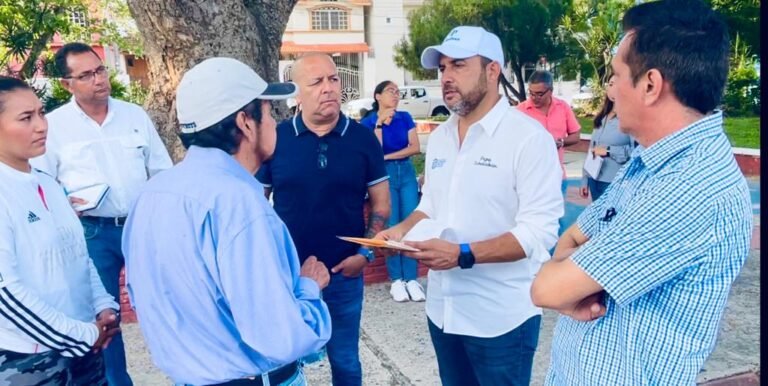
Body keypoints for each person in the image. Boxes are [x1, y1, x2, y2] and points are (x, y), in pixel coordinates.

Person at [530, 1, 753, 384]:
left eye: (616, 75)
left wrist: (568, 279)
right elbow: (572, 238)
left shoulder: (687, 189)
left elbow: (547, 289)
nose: (611, 88)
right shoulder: (652, 160)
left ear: (650, 85)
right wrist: (573, 276)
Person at [121, 57, 332, 385]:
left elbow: (143, 297)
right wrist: (309, 287)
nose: (274, 123)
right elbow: (280, 336)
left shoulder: (152, 194)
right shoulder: (240, 204)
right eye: (268, 113)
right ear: (246, 122)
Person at [376, 26, 563, 385]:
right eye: (442, 67)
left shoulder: (528, 139)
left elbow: (539, 233)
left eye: (458, 65)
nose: (446, 77)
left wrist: (462, 254)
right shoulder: (442, 137)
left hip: (500, 320)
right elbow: (431, 204)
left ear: (492, 71)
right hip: (443, 311)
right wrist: (399, 232)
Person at [30, 42, 172, 386]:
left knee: (164, 303)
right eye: (86, 75)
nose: (98, 80)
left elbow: (161, 171)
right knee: (106, 317)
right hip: (91, 232)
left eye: (100, 70)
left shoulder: (134, 116)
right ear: (67, 84)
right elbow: (41, 185)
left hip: (140, 228)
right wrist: (64, 204)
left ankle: (184, 373)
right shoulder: (54, 126)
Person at [256, 53, 390, 386]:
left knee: (346, 361)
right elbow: (254, 205)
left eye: (333, 79)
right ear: (296, 93)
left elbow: (382, 205)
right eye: (316, 82)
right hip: (288, 277)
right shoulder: (276, 139)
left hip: (344, 274)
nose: (328, 88)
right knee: (284, 364)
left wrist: (365, 254)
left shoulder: (363, 139)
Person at [0, 76, 120, 384]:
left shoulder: (48, 183)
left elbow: (78, 255)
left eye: (41, 113)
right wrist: (80, 334)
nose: (41, 126)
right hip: (28, 359)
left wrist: (103, 305)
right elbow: (5, 293)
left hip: (85, 347)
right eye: (26, 118)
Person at [360, 80, 424, 303]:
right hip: (384, 176)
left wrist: (388, 156)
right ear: (378, 96)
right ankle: (397, 279)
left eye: (397, 92)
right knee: (391, 225)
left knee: (410, 224)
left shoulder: (404, 117)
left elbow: (415, 147)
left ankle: (412, 278)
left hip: (405, 172)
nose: (395, 95)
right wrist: (379, 125)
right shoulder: (368, 123)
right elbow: (374, 153)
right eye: (390, 91)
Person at [517, 70, 581, 233]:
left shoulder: (563, 107)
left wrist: (561, 142)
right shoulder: (519, 111)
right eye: (531, 93)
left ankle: (556, 250)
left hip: (556, 178)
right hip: (528, 179)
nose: (534, 98)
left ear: (550, 91)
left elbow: (576, 136)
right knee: (526, 223)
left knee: (555, 223)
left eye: (539, 94)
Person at [579, 77, 635, 201]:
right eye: (610, 84)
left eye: (617, 84)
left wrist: (609, 151)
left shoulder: (630, 119)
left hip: (615, 182)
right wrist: (585, 178)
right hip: (594, 178)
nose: (613, 88)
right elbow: (592, 148)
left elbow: (637, 151)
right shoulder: (603, 117)